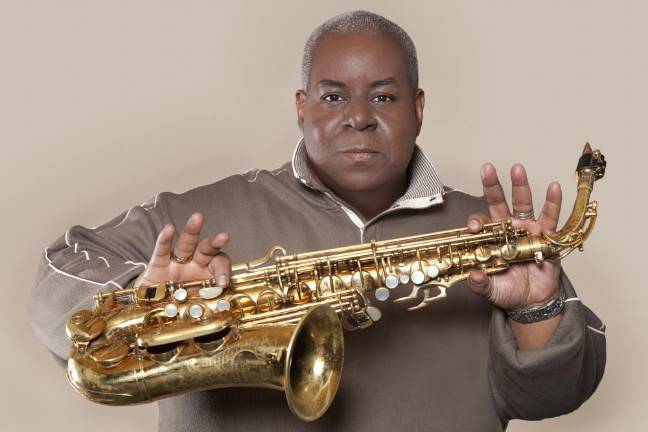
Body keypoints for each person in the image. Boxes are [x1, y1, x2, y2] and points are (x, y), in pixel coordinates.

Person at [30, 10, 606, 432]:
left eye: (383, 97)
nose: (358, 117)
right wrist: (146, 302)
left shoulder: (488, 233)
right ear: (301, 106)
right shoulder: (191, 223)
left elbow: (553, 398)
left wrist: (537, 307)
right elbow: (56, 280)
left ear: (419, 107)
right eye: (333, 97)